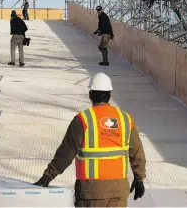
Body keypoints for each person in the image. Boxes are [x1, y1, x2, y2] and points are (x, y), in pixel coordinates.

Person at [33, 72, 146, 207]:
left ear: (90, 95)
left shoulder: (83, 120)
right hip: (118, 192)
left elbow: (66, 152)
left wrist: (49, 175)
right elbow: (137, 152)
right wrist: (139, 178)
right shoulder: (125, 119)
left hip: (90, 192)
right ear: (110, 95)